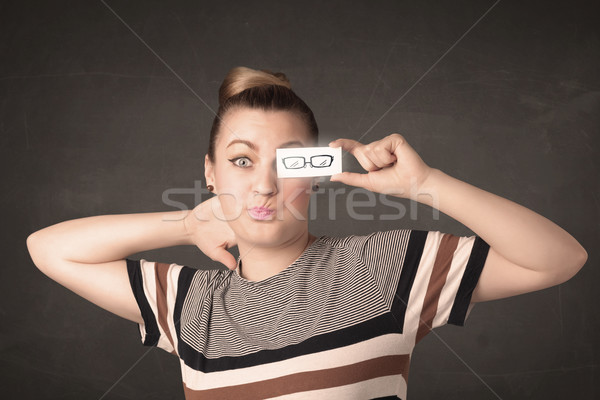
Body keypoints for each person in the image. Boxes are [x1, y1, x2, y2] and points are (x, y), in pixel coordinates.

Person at [26, 67, 587, 400]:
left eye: (289, 163)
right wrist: (182, 222)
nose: (265, 184)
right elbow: (48, 249)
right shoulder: (189, 303)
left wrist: (427, 185)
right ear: (209, 173)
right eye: (242, 162)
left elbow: (557, 259)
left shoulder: (380, 266)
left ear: (315, 173)